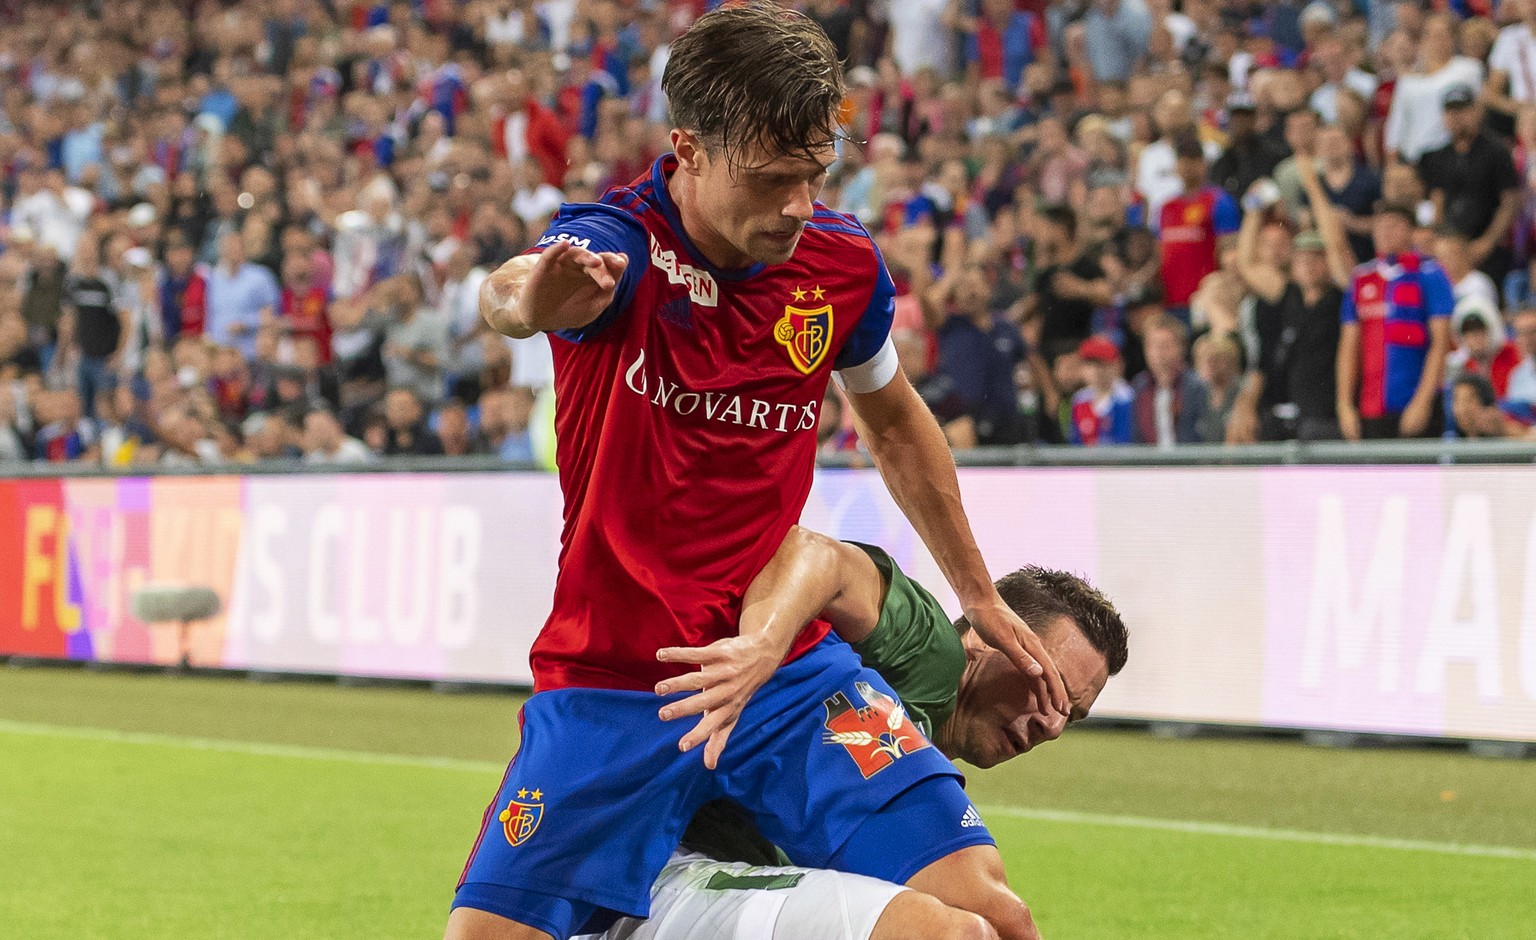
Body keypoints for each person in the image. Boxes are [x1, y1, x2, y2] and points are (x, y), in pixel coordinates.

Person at [461, 10, 1064, 939]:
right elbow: (510, 288)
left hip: (788, 671)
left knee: (992, 916)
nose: (797, 204)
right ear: (688, 150)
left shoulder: (841, 265)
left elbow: (897, 423)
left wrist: (975, 592)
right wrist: (532, 299)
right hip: (621, 681)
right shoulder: (616, 245)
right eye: (774, 178)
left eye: (815, 174)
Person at [575, 524, 1128, 940]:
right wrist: (762, 646)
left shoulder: (922, 746)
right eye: (1048, 688)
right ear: (993, 638)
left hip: (678, 872)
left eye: (1071, 716)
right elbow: (813, 553)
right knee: (979, 924)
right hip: (647, 872)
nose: (1051, 725)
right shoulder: (930, 651)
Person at [1230, 153, 1354, 443]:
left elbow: (1335, 243)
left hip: (1326, 416)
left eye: (1317, 257)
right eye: (1302, 258)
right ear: (1293, 264)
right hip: (1291, 413)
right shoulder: (1290, 295)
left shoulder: (1340, 296)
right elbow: (1248, 264)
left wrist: (1312, 186)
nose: (1309, 264)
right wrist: (1254, 209)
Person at [1337, 201, 1455, 441]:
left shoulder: (1430, 274)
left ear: (1412, 231)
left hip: (1414, 404)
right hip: (1370, 406)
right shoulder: (1362, 278)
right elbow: (1349, 346)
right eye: (1379, 226)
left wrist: (1423, 400)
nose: (1385, 232)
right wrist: (1344, 405)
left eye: (1394, 225)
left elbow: (1440, 342)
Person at [1417, 86, 1521, 288]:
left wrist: (1487, 243)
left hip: (1488, 245)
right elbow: (1438, 200)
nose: (1456, 117)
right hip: (1450, 247)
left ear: (1476, 112)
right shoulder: (1439, 156)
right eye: (1451, 111)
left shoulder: (1496, 150)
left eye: (1462, 110)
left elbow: (1510, 201)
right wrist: (1438, 241)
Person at [1156, 133, 1240, 324]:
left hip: (1205, 300)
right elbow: (1160, 252)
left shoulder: (1219, 201)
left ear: (1204, 164)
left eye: (1193, 159)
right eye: (1182, 159)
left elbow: (1228, 249)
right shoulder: (1166, 207)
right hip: (1171, 300)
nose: (1187, 165)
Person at [1129, 313, 1207, 446]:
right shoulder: (1138, 387)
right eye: (1153, 346)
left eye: (1165, 346)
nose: (1159, 353)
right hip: (1149, 464)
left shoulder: (1198, 387)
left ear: (1181, 348)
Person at [1068, 335, 1134, 445]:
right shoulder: (1079, 401)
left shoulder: (1128, 398)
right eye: (1090, 364)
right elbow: (1075, 443)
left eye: (1101, 364)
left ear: (1116, 365)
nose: (1095, 370)